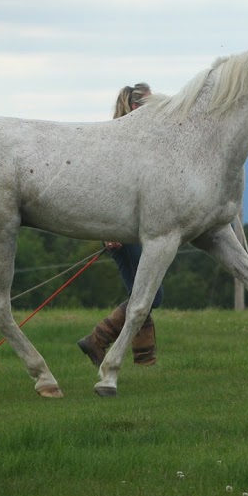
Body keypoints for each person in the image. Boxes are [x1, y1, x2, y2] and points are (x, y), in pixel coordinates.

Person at [77, 83, 164, 367]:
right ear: (137, 107)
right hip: (120, 233)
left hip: (135, 231)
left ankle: (144, 356)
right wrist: (108, 231)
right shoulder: (118, 142)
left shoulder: (140, 139)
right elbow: (102, 190)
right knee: (151, 296)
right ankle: (97, 340)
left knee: (142, 294)